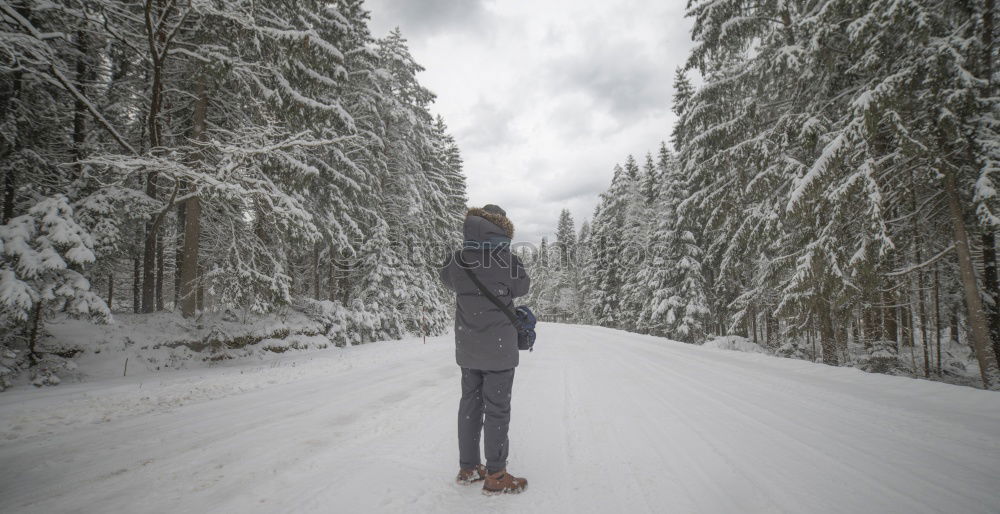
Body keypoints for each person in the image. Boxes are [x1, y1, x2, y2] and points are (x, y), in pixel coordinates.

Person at [439, 204, 531, 495]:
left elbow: (445, 280)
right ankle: (496, 474)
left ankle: (468, 468)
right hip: (500, 350)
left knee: (470, 405)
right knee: (497, 409)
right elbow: (522, 287)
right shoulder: (507, 260)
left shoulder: (456, 260)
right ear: (502, 227)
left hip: (468, 348)